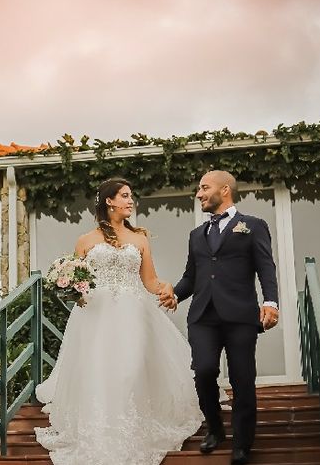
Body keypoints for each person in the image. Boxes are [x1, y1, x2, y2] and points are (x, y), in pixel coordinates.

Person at [34, 178, 202, 465]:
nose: (130, 200)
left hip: (133, 313)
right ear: (109, 201)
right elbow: (79, 283)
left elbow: (149, 281)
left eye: (131, 196)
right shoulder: (85, 241)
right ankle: (101, 428)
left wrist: (168, 290)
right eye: (124, 196)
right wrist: (71, 287)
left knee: (131, 366)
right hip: (96, 316)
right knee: (100, 369)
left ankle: (132, 425)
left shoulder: (140, 239)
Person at [160, 170, 279, 465]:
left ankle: (242, 443)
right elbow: (192, 276)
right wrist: (174, 293)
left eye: (204, 188)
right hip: (203, 316)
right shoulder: (196, 235)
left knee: (242, 379)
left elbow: (266, 267)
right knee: (203, 371)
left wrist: (271, 302)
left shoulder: (253, 226)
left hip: (240, 315)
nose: (199, 194)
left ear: (224, 190)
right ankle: (214, 428)